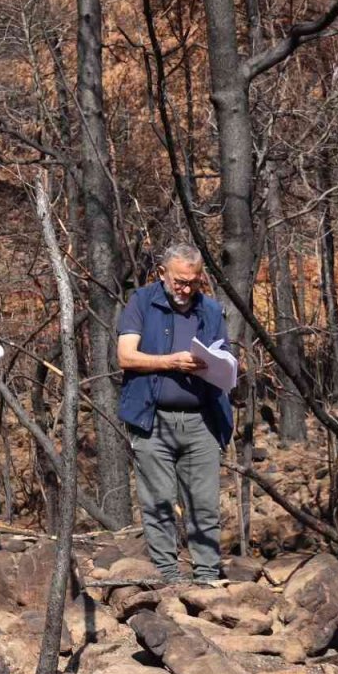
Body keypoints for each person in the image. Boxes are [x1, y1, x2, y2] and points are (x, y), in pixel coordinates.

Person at [117, 243, 234, 584]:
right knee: (158, 503)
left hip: (202, 419)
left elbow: (226, 357)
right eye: (180, 281)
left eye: (193, 282)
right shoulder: (142, 302)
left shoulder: (210, 310)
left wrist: (221, 366)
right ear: (162, 274)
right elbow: (125, 356)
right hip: (152, 419)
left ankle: (207, 575)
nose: (186, 289)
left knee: (204, 503)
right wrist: (171, 362)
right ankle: (168, 576)